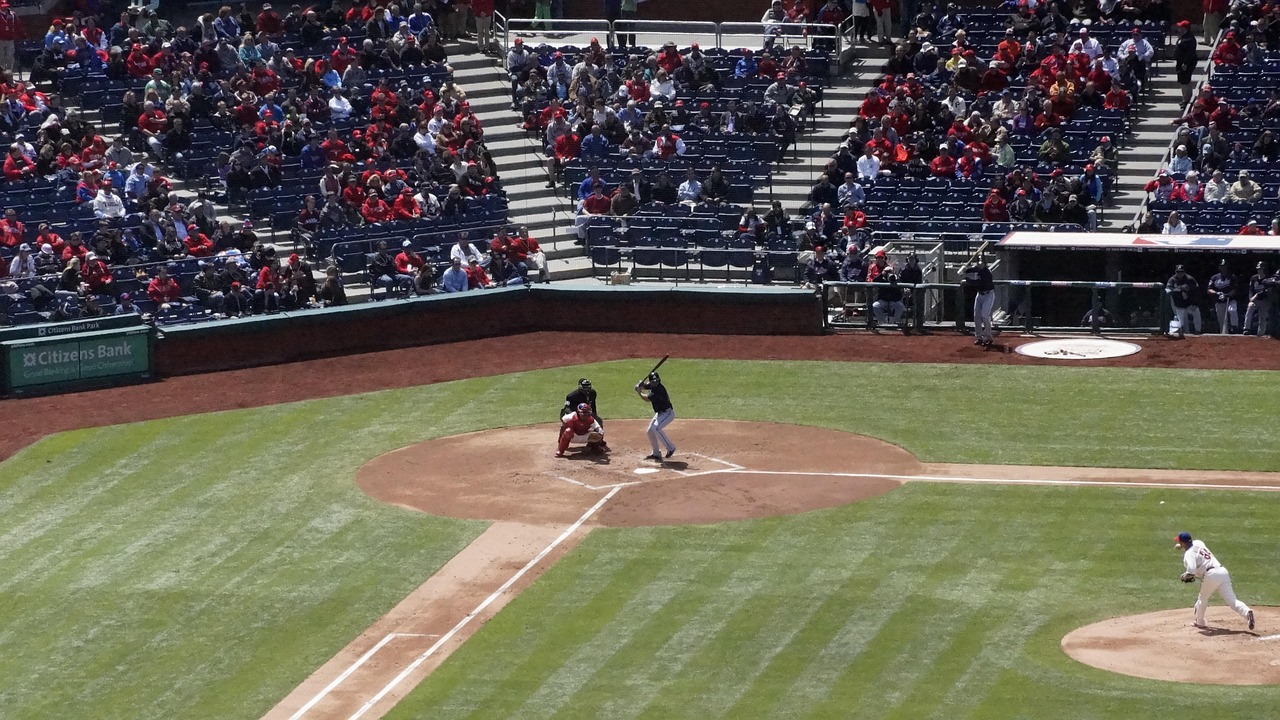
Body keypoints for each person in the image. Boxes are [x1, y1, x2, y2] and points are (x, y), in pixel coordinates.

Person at [1174, 531, 1254, 631]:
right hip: (1222, 572)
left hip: (1211, 575)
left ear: (1183, 543)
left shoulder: (1188, 554)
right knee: (1232, 600)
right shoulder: (1199, 542)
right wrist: (1182, 546)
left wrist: (1184, 576)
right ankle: (1247, 612)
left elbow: (1191, 571)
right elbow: (1193, 548)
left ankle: (1200, 622)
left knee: (1202, 598)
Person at [636, 371, 675, 460]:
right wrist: (641, 384)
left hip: (667, 413)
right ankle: (656, 453)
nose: (655, 382)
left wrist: (639, 392)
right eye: (653, 381)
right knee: (650, 431)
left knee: (656, 428)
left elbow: (646, 398)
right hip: (660, 413)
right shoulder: (653, 385)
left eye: (656, 381)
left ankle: (671, 447)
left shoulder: (659, 390)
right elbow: (646, 385)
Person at [962, 256, 994, 346]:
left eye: (981, 262)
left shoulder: (987, 273)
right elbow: (971, 270)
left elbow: (976, 283)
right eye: (978, 261)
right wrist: (965, 269)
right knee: (976, 316)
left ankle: (988, 337)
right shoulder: (978, 269)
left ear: (984, 263)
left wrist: (966, 278)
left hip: (988, 295)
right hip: (979, 295)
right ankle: (979, 337)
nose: (979, 263)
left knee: (984, 315)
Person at [1166, 264, 1202, 338]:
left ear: (1184, 272)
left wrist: (1193, 300)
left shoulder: (1190, 279)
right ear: (1175, 272)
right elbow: (1167, 290)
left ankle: (1198, 331)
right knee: (1180, 324)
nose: (1180, 274)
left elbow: (1197, 290)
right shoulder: (1172, 279)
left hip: (1189, 304)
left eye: (1181, 272)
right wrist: (1180, 291)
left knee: (1196, 311)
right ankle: (1179, 333)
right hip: (1178, 304)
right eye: (1178, 272)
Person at [1207, 260, 1238, 334]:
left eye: (1224, 266)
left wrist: (1227, 295)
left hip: (1230, 300)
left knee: (1232, 310)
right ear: (1219, 267)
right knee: (1221, 321)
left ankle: (1234, 327)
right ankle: (1224, 335)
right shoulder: (1214, 277)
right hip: (1219, 301)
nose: (1223, 268)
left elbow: (1235, 290)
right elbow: (1209, 289)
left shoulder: (1232, 277)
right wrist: (1217, 293)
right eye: (1221, 266)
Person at [1244, 262, 1272, 337]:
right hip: (1255, 300)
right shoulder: (1254, 278)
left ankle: (1261, 333)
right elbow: (1251, 289)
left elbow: (1267, 291)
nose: (1259, 270)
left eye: (1261, 269)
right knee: (1250, 307)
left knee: (1262, 316)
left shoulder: (1268, 279)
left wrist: (1256, 295)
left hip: (1264, 300)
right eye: (1258, 269)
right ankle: (1246, 328)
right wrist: (1251, 298)